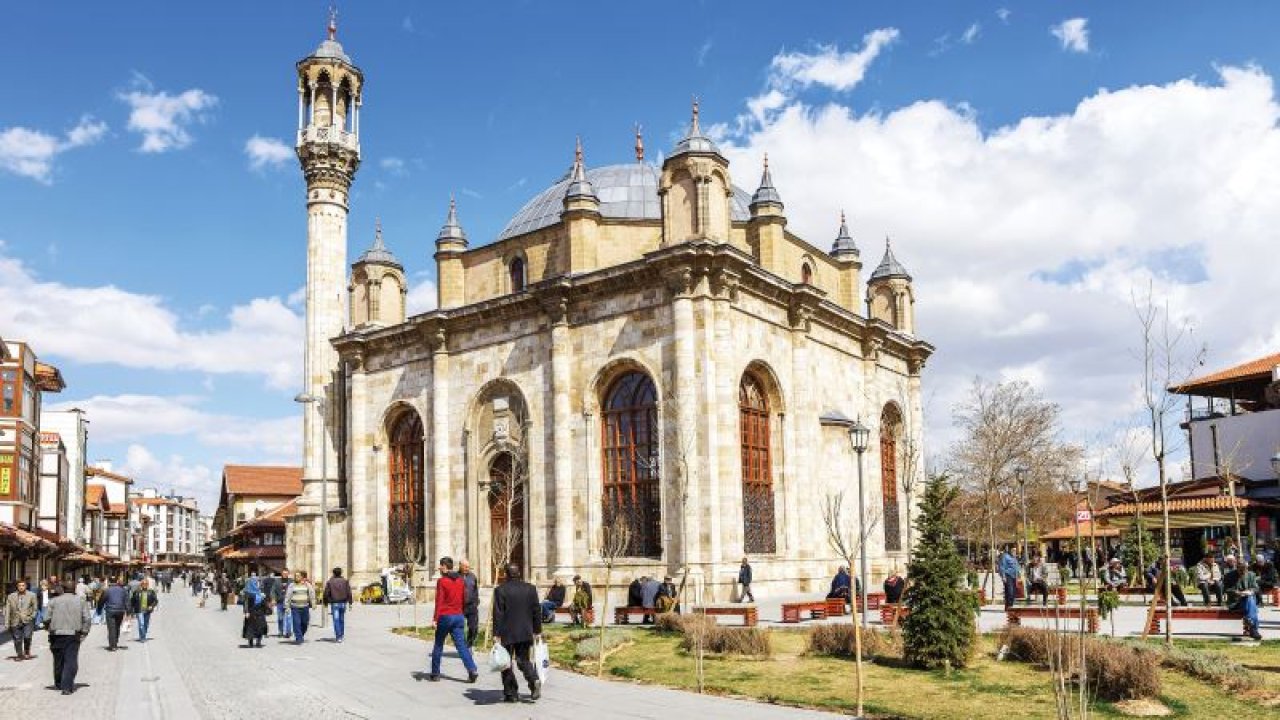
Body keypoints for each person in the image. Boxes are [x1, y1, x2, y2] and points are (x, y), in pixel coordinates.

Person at [493, 562, 542, 703]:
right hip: (526, 631)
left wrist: (496, 633)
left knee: (505, 663)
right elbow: (536, 611)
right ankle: (533, 680)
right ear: (519, 573)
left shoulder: (500, 590)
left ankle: (511, 693)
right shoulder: (530, 589)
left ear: (506, 574)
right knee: (523, 660)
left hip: (507, 632)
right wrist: (537, 630)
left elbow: (498, 614)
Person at [428, 556, 478, 683]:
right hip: (458, 616)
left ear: (445, 567)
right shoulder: (460, 581)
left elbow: (439, 602)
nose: (439, 568)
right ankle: (472, 669)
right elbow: (463, 598)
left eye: (440, 565)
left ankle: (435, 673)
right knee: (461, 646)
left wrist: (435, 619)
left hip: (445, 616)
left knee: (439, 644)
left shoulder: (442, 581)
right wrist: (461, 613)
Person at [46, 579, 91, 695]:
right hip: (73, 634)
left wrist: (49, 628)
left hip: (56, 634)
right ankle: (66, 686)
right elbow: (87, 618)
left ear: (63, 589)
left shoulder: (53, 601)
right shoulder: (81, 601)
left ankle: (59, 682)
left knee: (58, 659)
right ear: (74, 589)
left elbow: (46, 618)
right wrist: (84, 632)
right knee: (70, 659)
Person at [1222, 555, 1262, 640]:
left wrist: (1250, 591)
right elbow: (1226, 589)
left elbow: (1256, 588)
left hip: (1247, 600)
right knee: (1252, 605)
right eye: (1241, 570)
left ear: (1247, 568)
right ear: (1237, 568)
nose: (1243, 572)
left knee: (1249, 598)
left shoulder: (1251, 575)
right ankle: (1254, 629)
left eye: (1245, 570)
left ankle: (1251, 624)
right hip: (1236, 602)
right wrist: (1237, 593)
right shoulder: (1229, 575)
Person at [4, 579, 38, 660]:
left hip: (28, 620)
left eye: (23, 585)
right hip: (15, 620)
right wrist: (6, 622)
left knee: (27, 636)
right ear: (17, 587)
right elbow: (7, 610)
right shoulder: (11, 596)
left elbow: (35, 608)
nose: (21, 587)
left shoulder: (32, 595)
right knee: (17, 639)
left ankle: (27, 651)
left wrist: (32, 617)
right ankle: (19, 654)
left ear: (26, 586)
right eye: (19, 586)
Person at [97, 575, 130, 651]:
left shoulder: (107, 590)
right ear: (117, 581)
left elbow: (101, 601)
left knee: (111, 628)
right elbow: (127, 601)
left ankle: (113, 645)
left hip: (110, 611)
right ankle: (115, 641)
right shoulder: (123, 590)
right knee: (117, 627)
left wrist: (99, 610)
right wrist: (128, 612)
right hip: (120, 611)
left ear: (109, 582)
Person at [322, 567, 353, 643]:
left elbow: (326, 593)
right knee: (341, 619)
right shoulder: (345, 581)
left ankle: (338, 636)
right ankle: (341, 635)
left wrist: (325, 602)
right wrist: (350, 602)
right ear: (341, 573)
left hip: (335, 603)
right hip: (343, 603)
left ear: (333, 573)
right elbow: (349, 592)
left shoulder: (330, 582)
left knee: (336, 620)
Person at [287, 571, 316, 644]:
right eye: (295, 576)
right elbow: (288, 596)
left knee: (305, 623)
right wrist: (286, 606)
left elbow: (312, 593)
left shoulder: (307, 585)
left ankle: (300, 635)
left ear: (302, 577)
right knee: (296, 623)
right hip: (295, 607)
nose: (296, 577)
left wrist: (313, 603)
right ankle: (299, 638)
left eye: (298, 576)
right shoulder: (292, 585)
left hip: (305, 607)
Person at [241, 575, 269, 648]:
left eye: (257, 582)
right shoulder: (248, 592)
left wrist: (264, 598)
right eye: (255, 582)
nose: (257, 583)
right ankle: (250, 642)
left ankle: (258, 642)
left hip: (260, 612)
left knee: (260, 627)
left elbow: (263, 602)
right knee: (250, 628)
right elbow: (246, 602)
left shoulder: (260, 591)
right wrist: (246, 611)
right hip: (251, 612)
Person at [129, 577, 159, 642]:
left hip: (147, 610)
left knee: (146, 624)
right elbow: (132, 601)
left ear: (147, 585)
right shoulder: (136, 592)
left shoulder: (151, 592)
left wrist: (152, 606)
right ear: (141, 585)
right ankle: (142, 637)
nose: (144, 585)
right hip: (139, 610)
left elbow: (156, 601)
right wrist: (131, 610)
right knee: (141, 624)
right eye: (143, 584)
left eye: (146, 584)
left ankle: (143, 635)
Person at [458, 559, 480, 647]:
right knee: (459, 628)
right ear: (460, 566)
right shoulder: (456, 577)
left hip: (471, 606)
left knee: (473, 627)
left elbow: (475, 590)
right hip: (459, 606)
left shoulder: (473, 576)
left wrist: (476, 601)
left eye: (468, 567)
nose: (467, 568)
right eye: (465, 566)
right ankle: (462, 646)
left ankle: (469, 644)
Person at [998, 546, 1020, 610]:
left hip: (1014, 576)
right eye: (1013, 550)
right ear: (1010, 550)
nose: (1014, 552)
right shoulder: (1005, 556)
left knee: (1013, 592)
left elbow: (1017, 567)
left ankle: (1009, 606)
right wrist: (1003, 576)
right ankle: (1009, 607)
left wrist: (1019, 575)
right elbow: (1002, 566)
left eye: (1015, 550)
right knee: (1010, 591)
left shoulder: (1014, 558)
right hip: (1008, 575)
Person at [274, 570, 293, 638]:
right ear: (281, 574)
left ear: (288, 574)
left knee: (289, 618)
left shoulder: (291, 581)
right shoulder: (277, 581)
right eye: (283, 573)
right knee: (280, 618)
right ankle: (280, 631)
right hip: (280, 602)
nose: (285, 574)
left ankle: (288, 632)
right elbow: (273, 590)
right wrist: (273, 599)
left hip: (288, 603)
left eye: (286, 573)